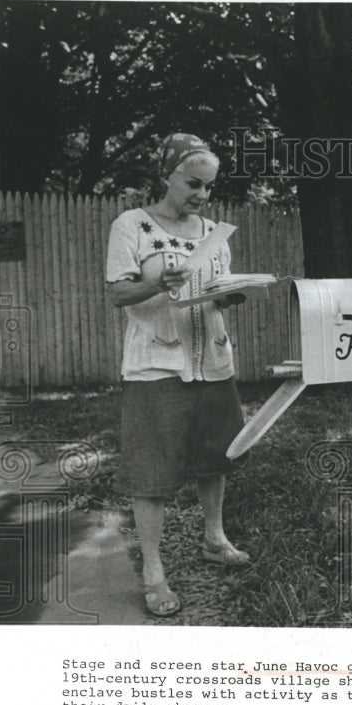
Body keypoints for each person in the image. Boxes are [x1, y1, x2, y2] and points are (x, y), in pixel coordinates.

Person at [106, 133, 250, 618]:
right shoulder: (133, 226)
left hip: (212, 360)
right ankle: (153, 570)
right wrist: (154, 283)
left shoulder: (213, 232)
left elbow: (214, 289)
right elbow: (117, 294)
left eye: (208, 187)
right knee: (152, 473)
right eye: (193, 184)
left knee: (216, 456)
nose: (201, 196)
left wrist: (229, 293)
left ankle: (214, 537)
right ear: (166, 176)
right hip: (156, 365)